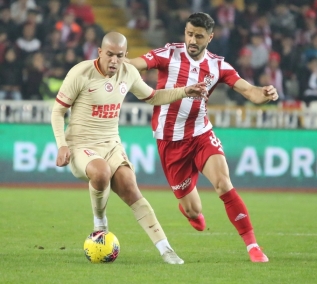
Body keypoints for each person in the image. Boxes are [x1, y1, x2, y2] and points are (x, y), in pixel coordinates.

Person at [128, 12, 279, 263]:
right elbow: (137, 63)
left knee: (223, 183)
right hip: (170, 141)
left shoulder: (218, 65)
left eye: (199, 36)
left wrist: (265, 93)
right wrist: (116, 63)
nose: (192, 40)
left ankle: (252, 245)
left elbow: (250, 92)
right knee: (194, 211)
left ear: (210, 37)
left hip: (201, 133)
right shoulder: (169, 54)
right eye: (189, 34)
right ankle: (190, 211)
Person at [51, 31, 207, 265]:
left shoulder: (128, 73)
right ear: (100, 52)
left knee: (130, 187)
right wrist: (61, 144)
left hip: (112, 143)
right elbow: (57, 111)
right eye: (110, 55)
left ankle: (166, 249)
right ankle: (100, 224)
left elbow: (153, 97)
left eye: (120, 56)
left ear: (126, 56)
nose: (114, 60)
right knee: (101, 172)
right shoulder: (80, 73)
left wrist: (185, 91)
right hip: (81, 145)